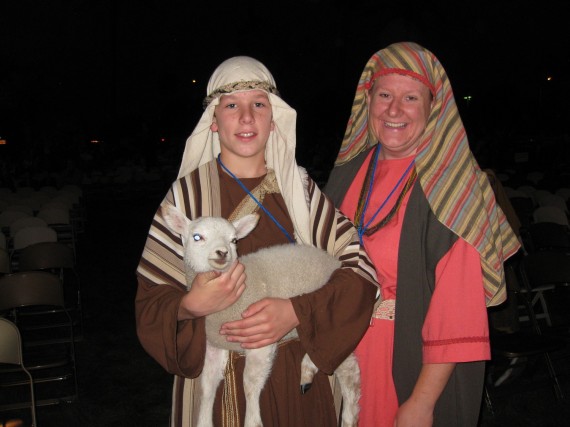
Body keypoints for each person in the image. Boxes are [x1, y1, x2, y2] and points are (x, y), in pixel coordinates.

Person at [135, 56, 378, 426]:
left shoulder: (301, 193)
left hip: (296, 384)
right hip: (214, 389)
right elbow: (151, 305)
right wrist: (189, 306)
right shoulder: (185, 198)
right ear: (214, 122)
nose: (246, 117)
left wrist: (298, 311)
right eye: (232, 105)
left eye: (258, 105)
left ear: (273, 117)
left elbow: (359, 272)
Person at [324, 42, 521, 426]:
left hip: (406, 364)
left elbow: (456, 309)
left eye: (410, 97)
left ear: (433, 107)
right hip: (338, 356)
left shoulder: (455, 187)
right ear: (369, 102)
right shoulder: (347, 174)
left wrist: (422, 402)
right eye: (384, 95)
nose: (394, 110)